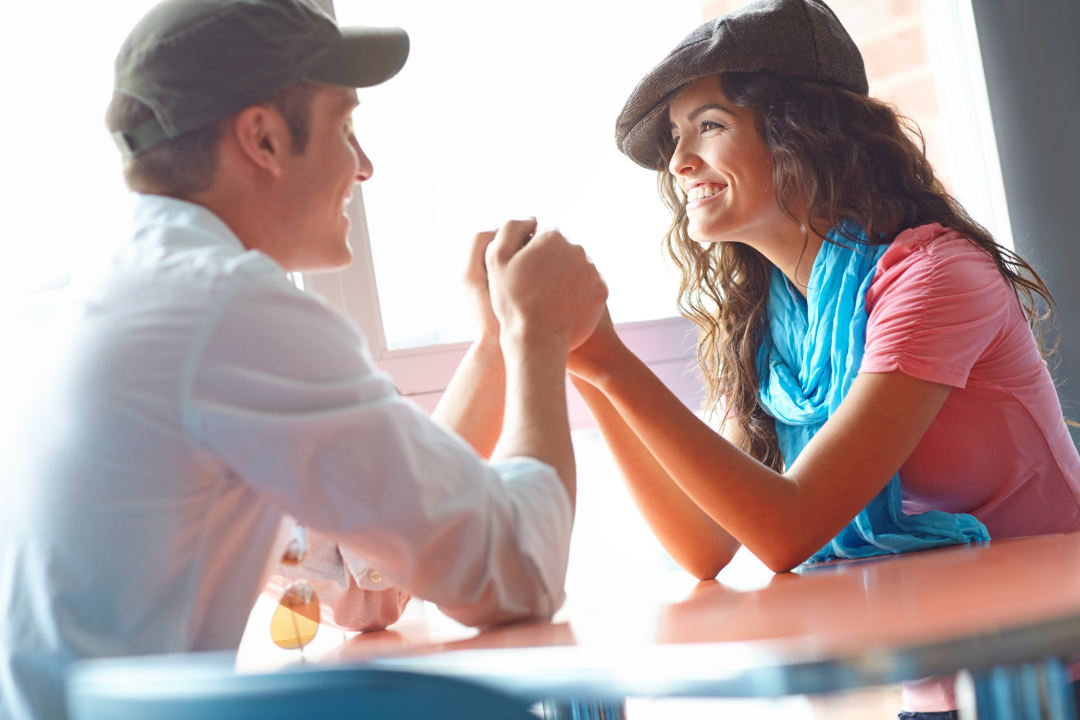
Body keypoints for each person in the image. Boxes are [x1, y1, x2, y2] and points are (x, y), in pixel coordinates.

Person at [0, 0, 607, 717]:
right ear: (262, 139)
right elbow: (519, 572)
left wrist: (495, 347)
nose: (366, 167)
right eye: (346, 128)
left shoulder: (78, 306)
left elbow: (360, 586)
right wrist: (535, 332)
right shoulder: (228, 308)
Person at [562, 0, 1080, 716]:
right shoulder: (783, 328)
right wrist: (589, 360)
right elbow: (705, 544)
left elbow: (788, 526)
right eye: (676, 138)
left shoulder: (933, 277)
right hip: (942, 682)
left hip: (1060, 667)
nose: (678, 163)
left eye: (707, 126)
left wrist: (619, 366)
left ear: (801, 130)